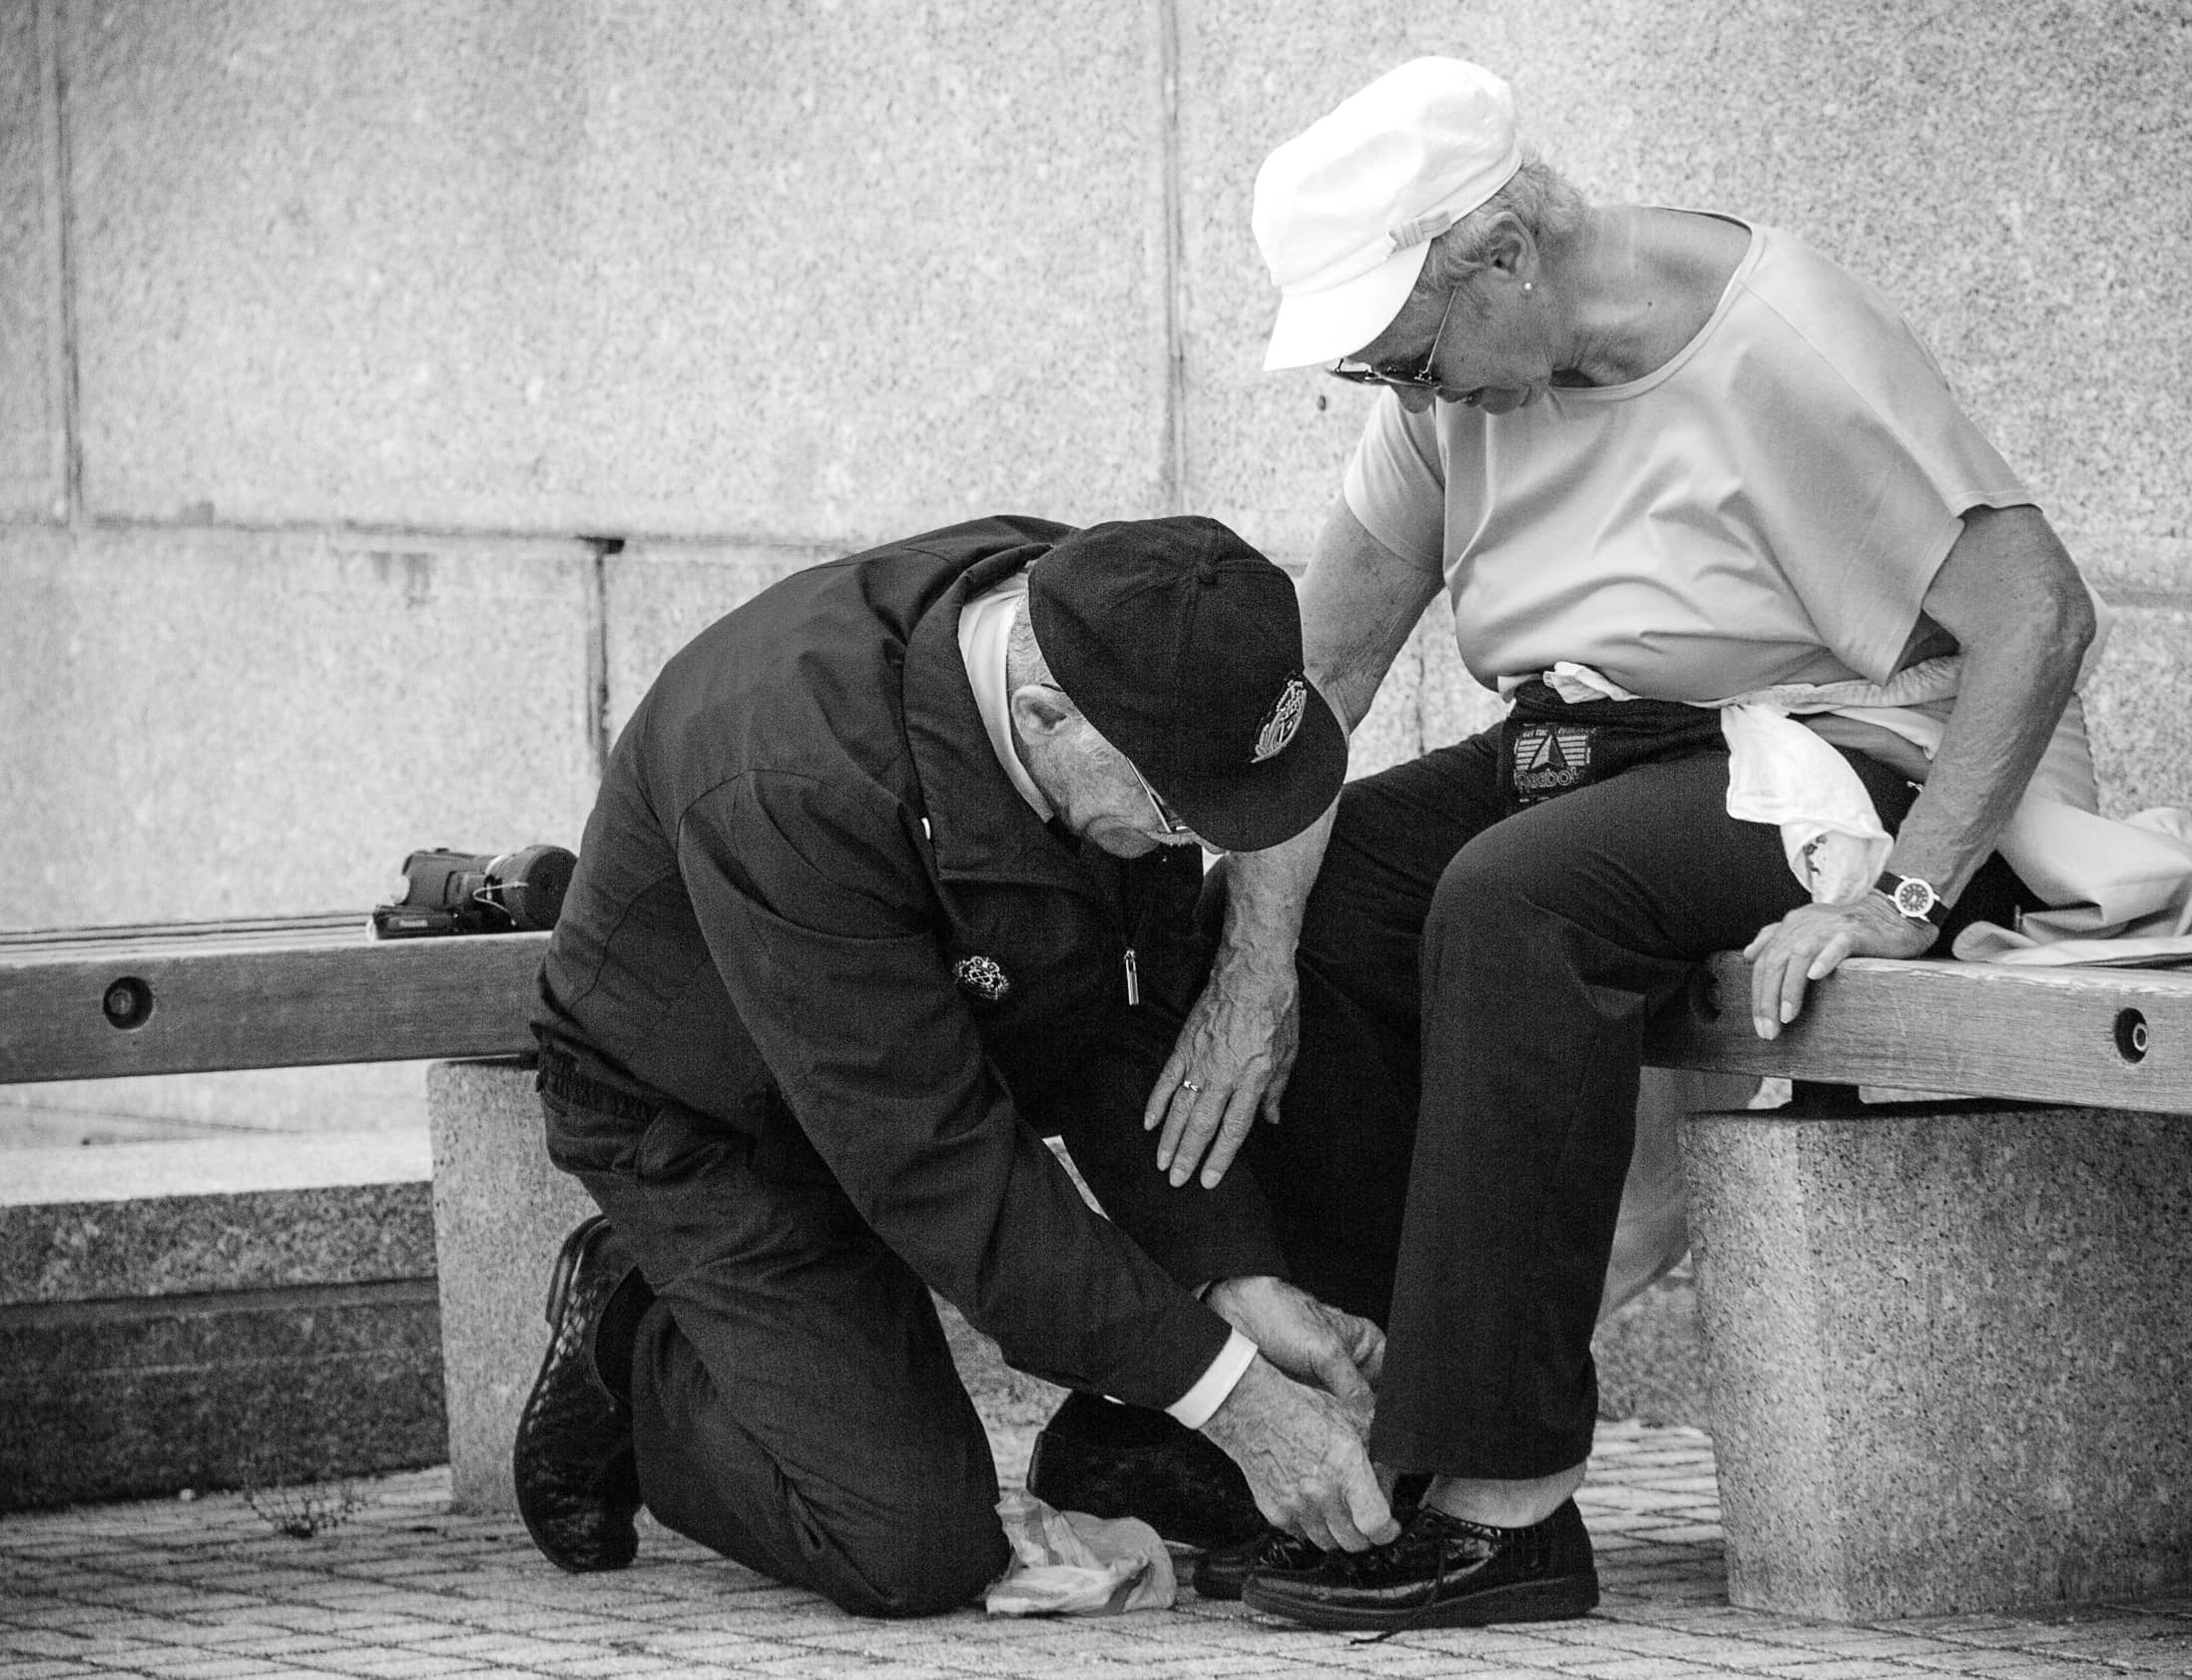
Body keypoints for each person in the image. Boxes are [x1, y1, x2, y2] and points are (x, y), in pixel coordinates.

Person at [1146, 59, 2102, 1631]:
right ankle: (1360, 1423)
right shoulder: (1454, 388)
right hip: (1620, 748)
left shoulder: (1774, 336)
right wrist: (1251, 965)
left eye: (1416, 356)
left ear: (1506, 254)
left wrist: (1908, 903)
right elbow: (1319, 691)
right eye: (1384, 374)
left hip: (1879, 760)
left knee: (1523, 896)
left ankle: (1510, 1501)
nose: (1413, 399)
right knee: (1347, 883)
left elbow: (2039, 618)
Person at [513, 512, 1401, 1618]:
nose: (1191, 844)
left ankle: (785, 1345)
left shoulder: (1127, 629)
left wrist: (1236, 1279)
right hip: (705, 1126)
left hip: (917, 1083)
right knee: (911, 1550)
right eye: (1179, 812)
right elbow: (942, 1174)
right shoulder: (791, 776)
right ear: (1043, 718)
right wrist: (1234, 1400)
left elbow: (1122, 1018)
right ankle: (632, 1326)